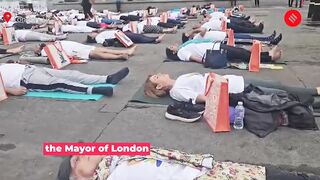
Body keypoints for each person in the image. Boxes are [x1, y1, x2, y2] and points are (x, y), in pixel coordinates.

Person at [0, 63, 129, 97]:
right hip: (25, 79)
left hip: (30, 68)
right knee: (59, 83)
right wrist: (11, 90)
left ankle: (108, 78)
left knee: (71, 74)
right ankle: (94, 90)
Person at [165, 39, 282, 63]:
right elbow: (193, 57)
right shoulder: (181, 53)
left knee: (241, 52)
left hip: (216, 47)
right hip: (216, 51)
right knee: (242, 54)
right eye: (171, 48)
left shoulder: (183, 48)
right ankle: (269, 58)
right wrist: (209, 61)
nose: (173, 46)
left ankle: (267, 54)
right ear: (173, 53)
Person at [35, 41, 137, 60]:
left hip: (76, 46)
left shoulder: (51, 44)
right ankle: (120, 56)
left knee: (101, 50)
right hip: (73, 50)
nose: (36, 46)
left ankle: (126, 52)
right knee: (97, 53)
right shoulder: (44, 52)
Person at [182, 28, 282, 45]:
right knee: (249, 40)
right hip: (225, 39)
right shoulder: (196, 38)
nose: (190, 32)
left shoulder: (197, 37)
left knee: (248, 37)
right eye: (188, 33)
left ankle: (268, 38)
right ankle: (270, 41)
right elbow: (203, 30)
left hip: (226, 35)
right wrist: (194, 31)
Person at [86, 30, 166, 45]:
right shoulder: (97, 38)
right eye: (91, 34)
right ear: (92, 38)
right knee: (137, 38)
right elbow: (104, 42)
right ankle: (155, 39)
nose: (93, 33)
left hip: (119, 33)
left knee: (138, 36)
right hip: (118, 36)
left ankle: (155, 38)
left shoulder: (99, 35)